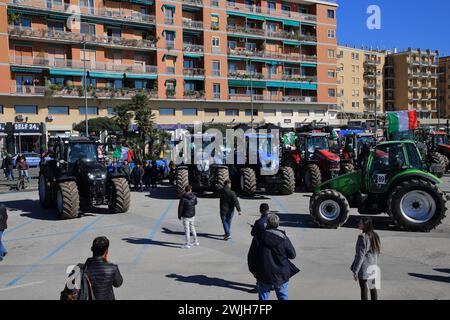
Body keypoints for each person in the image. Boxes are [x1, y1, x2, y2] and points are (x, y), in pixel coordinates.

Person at [248, 214, 298, 300]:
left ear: (266, 224)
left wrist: (254, 272)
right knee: (283, 297)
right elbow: (292, 255)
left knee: (263, 298)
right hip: (281, 275)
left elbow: (251, 257)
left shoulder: (258, 237)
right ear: (278, 224)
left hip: (263, 274)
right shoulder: (283, 238)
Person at [351, 217, 381, 301]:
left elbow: (360, 255)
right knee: (373, 288)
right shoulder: (375, 235)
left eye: (360, 223)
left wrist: (355, 270)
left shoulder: (363, 237)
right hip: (373, 266)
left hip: (364, 267)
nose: (358, 224)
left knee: (364, 289)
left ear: (365, 225)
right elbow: (376, 252)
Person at [248, 203, 271, 293]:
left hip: (260, 247)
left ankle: (259, 286)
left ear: (260, 211)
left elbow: (253, 233)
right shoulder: (271, 220)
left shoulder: (258, 222)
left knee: (258, 267)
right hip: (270, 246)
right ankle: (271, 284)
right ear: (268, 210)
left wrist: (254, 228)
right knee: (269, 266)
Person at [178, 185, 199, 249]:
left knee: (187, 230)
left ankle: (187, 244)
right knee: (192, 228)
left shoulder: (183, 197)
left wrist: (179, 215)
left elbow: (180, 207)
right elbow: (195, 203)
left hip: (185, 216)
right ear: (190, 190)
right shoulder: (194, 196)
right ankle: (196, 241)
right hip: (192, 215)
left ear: (185, 190)